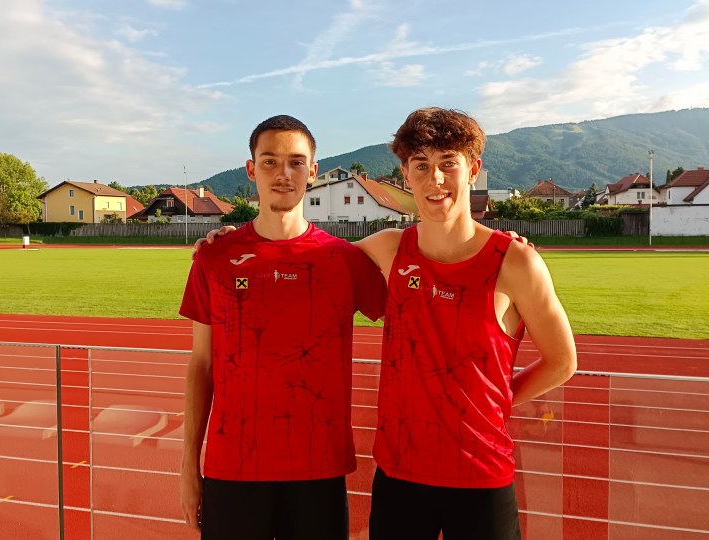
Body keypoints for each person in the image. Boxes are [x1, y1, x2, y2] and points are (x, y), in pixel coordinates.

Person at [352, 107, 577, 539]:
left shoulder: (516, 262)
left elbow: (562, 361)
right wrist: (227, 240)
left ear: (472, 170)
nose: (434, 179)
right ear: (406, 175)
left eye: (448, 163)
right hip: (400, 474)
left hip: (480, 476)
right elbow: (309, 258)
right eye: (421, 165)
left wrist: (498, 402)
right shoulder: (388, 249)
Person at [179, 115, 386, 540]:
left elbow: (418, 307)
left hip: (318, 468)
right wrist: (188, 465)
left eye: (295, 162)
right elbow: (202, 365)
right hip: (232, 466)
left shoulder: (345, 261)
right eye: (270, 161)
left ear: (312, 171)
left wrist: (499, 247)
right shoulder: (214, 257)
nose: (283, 173)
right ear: (251, 169)